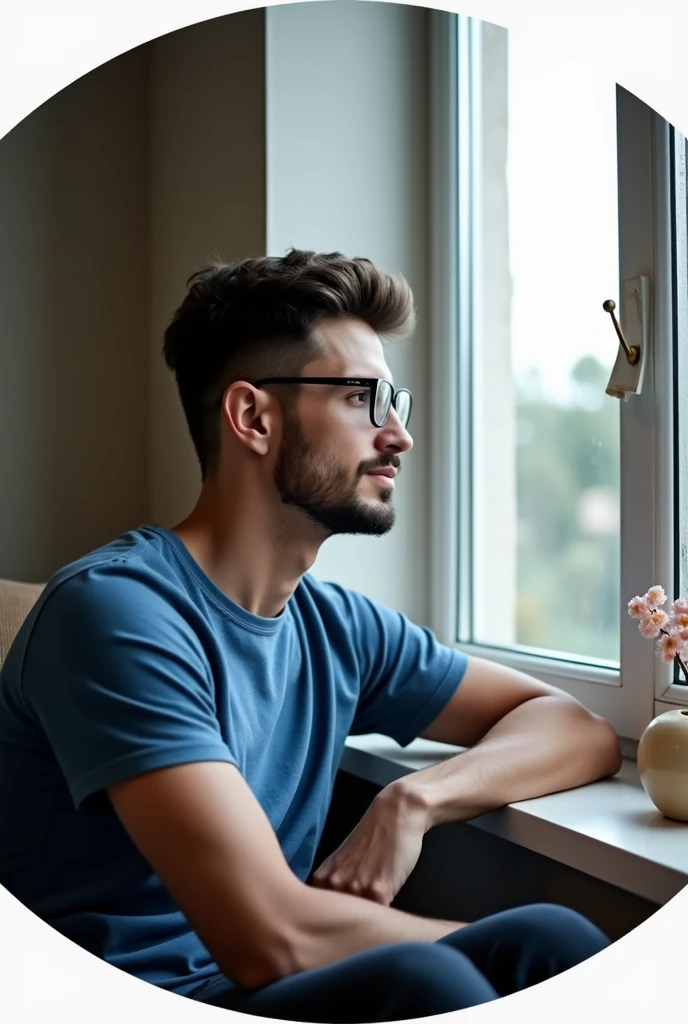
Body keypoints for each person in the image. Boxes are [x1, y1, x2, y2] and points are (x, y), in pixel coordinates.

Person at [0, 249, 621, 1022]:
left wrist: (415, 800)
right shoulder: (117, 613)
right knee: (442, 984)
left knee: (548, 937)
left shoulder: (335, 626)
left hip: (256, 988)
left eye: (397, 401)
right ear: (253, 417)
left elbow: (578, 729)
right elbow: (267, 937)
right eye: (364, 398)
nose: (399, 436)